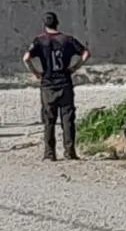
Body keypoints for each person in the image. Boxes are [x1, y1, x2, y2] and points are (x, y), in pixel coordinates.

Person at [22, 12, 90, 162]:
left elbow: (26, 58)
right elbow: (85, 53)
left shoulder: (39, 40)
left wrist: (36, 73)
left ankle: (49, 154)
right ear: (57, 23)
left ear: (44, 25)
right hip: (65, 82)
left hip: (48, 84)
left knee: (49, 119)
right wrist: (75, 67)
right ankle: (70, 152)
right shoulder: (67, 39)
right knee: (68, 119)